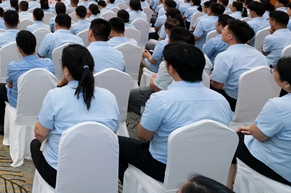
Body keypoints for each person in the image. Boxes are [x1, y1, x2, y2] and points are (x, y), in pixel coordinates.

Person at [118, 43, 233, 182]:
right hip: (208, 166)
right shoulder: (221, 100)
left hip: (164, 167)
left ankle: (130, 183)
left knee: (115, 143)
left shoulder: (161, 100)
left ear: (171, 68)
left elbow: (144, 135)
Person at [31, 44, 120, 188]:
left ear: (66, 70)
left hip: (60, 175)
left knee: (34, 144)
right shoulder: (109, 97)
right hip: (99, 171)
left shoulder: (55, 96)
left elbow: (40, 134)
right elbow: (111, 134)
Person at [231, 57, 291, 187]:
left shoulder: (278, 105)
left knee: (235, 139)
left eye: (274, 70)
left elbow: (260, 136)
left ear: (287, 84)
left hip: (282, 168)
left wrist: (253, 130)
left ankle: (228, 186)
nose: (273, 71)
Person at [0, 31, 55, 135]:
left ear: (19, 49)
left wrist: (10, 83)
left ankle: (3, 125)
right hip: (43, 100)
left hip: (18, 102)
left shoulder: (13, 66)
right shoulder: (49, 63)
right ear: (36, 45)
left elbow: (8, 81)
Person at [211, 19, 268, 110]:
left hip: (234, 100)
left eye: (223, 30)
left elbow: (217, 86)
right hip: (258, 97)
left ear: (230, 36)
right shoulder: (259, 55)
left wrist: (211, 77)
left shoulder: (224, 56)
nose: (221, 32)